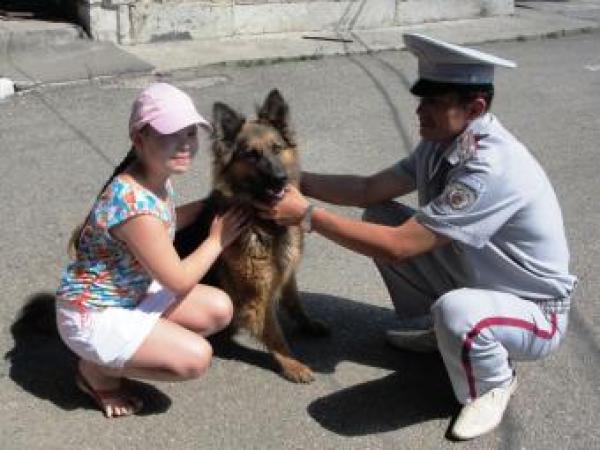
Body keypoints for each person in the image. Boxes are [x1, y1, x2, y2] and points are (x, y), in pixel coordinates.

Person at [257, 34, 577, 440]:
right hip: (487, 281)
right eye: (420, 98)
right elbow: (367, 190)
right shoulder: (442, 142)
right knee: (379, 216)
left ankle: (493, 382)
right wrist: (292, 180)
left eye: (433, 102)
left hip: (536, 314)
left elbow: (399, 247)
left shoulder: (490, 167)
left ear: (475, 108)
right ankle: (451, 335)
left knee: (454, 308)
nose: (420, 110)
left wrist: (305, 215)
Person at [56, 82, 249, 418]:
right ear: (139, 139)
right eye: (170, 134)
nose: (185, 144)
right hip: (92, 315)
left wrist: (211, 206)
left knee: (218, 308)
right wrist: (217, 240)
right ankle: (95, 372)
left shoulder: (152, 178)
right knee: (196, 358)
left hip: (129, 294)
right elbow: (178, 280)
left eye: (191, 134)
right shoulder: (135, 207)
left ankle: (132, 348)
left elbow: (167, 221)